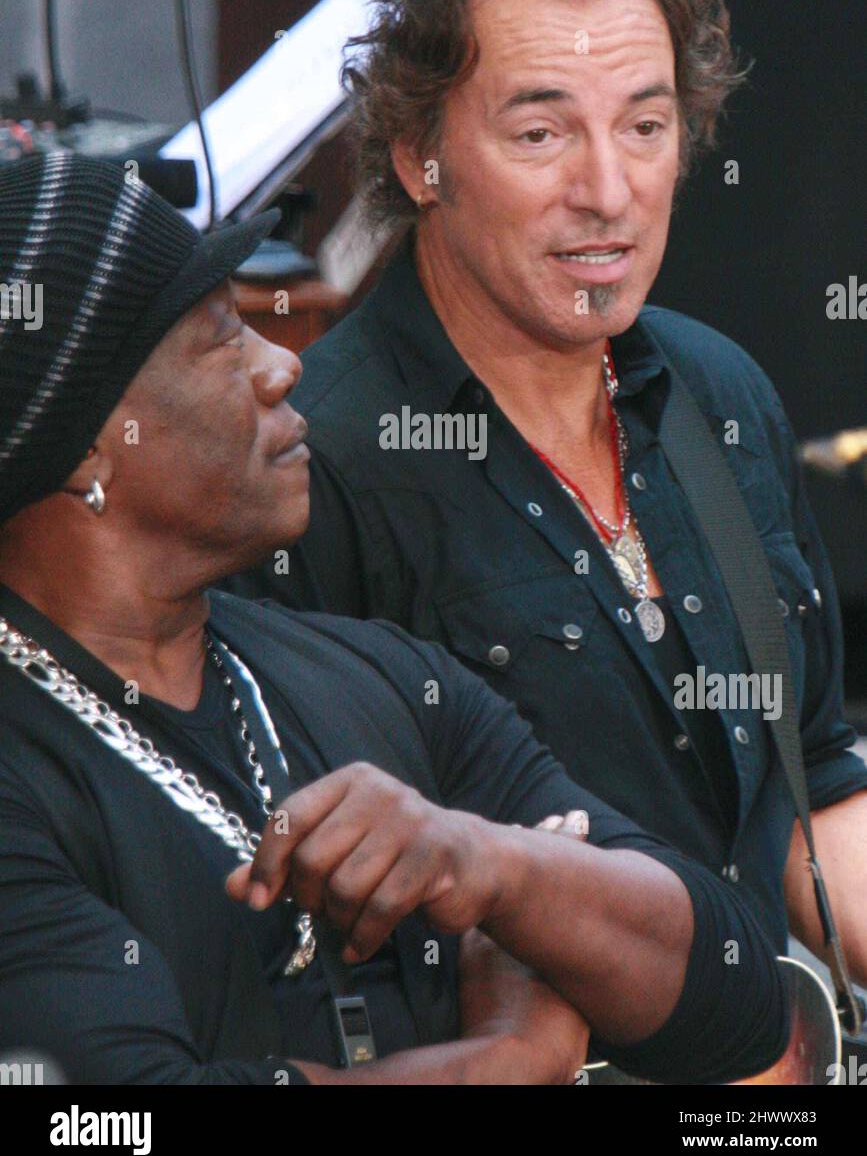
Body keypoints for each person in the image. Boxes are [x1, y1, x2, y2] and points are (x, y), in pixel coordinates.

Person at [0, 153, 788, 1086]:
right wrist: (508, 1060)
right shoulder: (26, 778)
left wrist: (499, 871)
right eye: (220, 338)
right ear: (90, 445)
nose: (281, 364)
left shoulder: (376, 679)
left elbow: (735, 998)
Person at [228, 0, 867, 994]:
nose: (609, 191)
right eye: (540, 133)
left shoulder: (722, 396)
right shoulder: (311, 474)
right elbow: (316, 955)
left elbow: (812, 797)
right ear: (422, 156)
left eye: (645, 125)